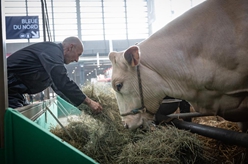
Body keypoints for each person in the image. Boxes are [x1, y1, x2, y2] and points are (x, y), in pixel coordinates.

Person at [7, 36, 103, 113]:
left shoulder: (52, 59)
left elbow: (60, 89)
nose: (77, 60)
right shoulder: (52, 51)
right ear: (70, 47)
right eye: (78, 54)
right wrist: (89, 102)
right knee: (19, 120)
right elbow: (63, 82)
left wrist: (82, 108)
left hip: (14, 91)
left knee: (27, 114)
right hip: (6, 87)